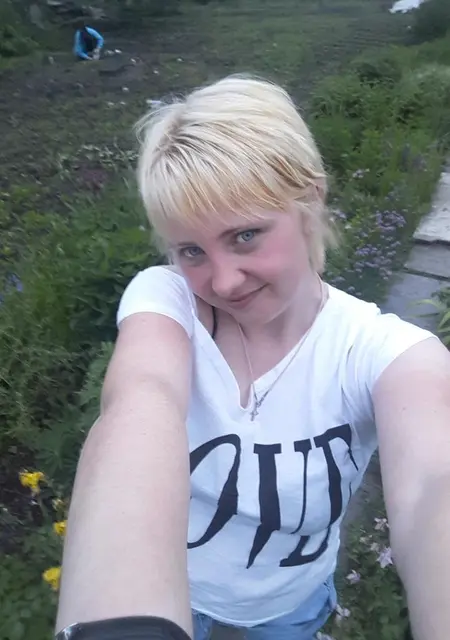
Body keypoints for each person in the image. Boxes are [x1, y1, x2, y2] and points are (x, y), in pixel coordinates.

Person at [55, 75, 450, 640]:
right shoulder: (169, 301)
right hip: (179, 592)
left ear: (310, 199)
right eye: (191, 250)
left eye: (245, 235)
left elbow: (434, 484)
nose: (222, 281)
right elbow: (140, 400)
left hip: (290, 605)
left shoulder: (380, 351)